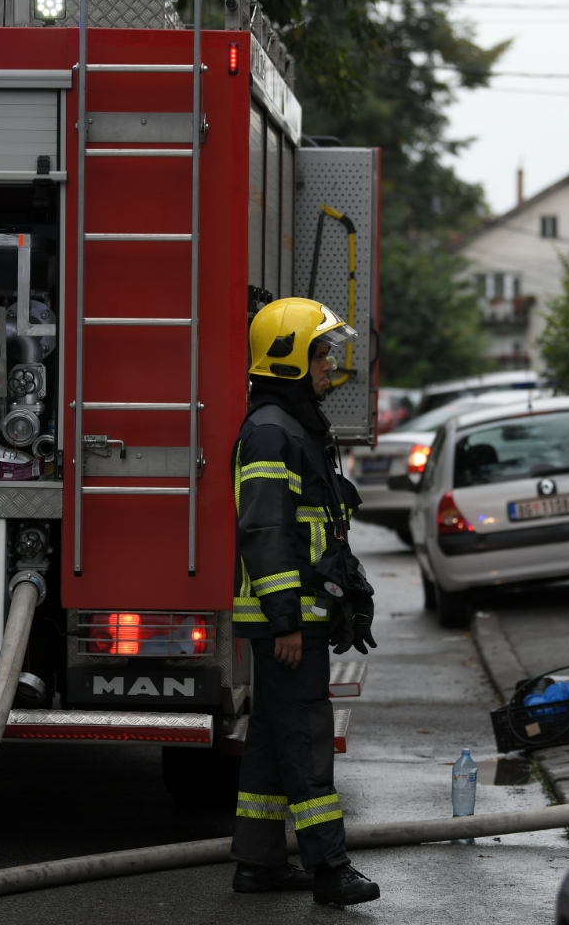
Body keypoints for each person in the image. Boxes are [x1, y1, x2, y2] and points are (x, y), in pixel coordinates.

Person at [230, 298, 380, 907]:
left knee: (271, 735)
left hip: (300, 617)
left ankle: (259, 863)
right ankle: (330, 869)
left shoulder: (291, 424)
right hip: (288, 621)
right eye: (320, 353)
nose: (328, 365)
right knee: (305, 738)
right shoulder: (272, 428)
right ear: (289, 358)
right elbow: (265, 530)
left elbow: (316, 524)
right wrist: (286, 617)